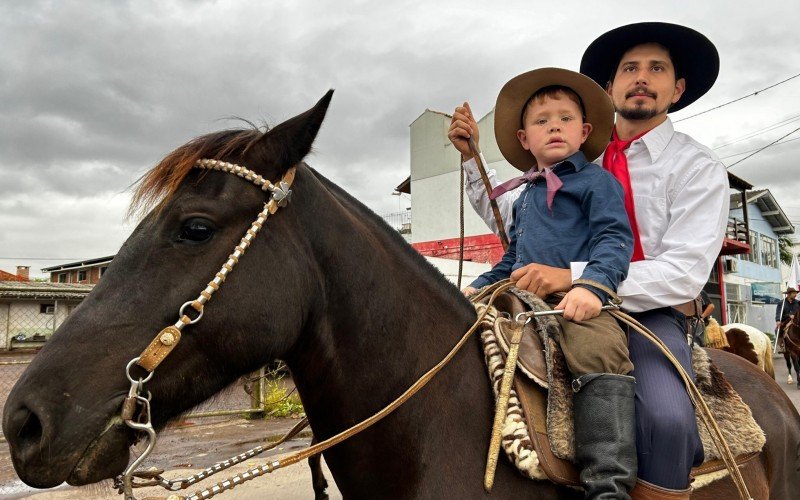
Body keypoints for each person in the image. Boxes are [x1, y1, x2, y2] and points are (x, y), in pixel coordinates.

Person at [449, 23, 729, 499]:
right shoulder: (570, 161)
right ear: (610, 86)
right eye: (629, 68)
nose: (642, 77)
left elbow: (684, 273)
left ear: (677, 88)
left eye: (656, 68)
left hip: (647, 312)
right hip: (545, 299)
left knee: (664, 417)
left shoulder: (696, 166)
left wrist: (579, 278)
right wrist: (473, 161)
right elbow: (517, 227)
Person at [463, 67, 637, 498]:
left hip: (576, 301)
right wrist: (475, 288)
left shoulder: (597, 182)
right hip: (520, 298)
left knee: (596, 349)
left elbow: (615, 240)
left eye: (564, 118)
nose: (554, 125)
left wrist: (591, 286)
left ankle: (608, 484)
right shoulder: (525, 196)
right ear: (525, 139)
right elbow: (513, 260)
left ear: (585, 132)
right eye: (541, 121)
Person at [775, 287, 800, 352]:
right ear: (788, 294)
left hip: (796, 320)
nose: (795, 295)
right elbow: (778, 312)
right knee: (777, 329)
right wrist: (778, 320)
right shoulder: (781, 303)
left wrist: (795, 315)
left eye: (796, 293)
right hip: (785, 320)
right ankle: (782, 344)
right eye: (793, 293)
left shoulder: (798, 302)